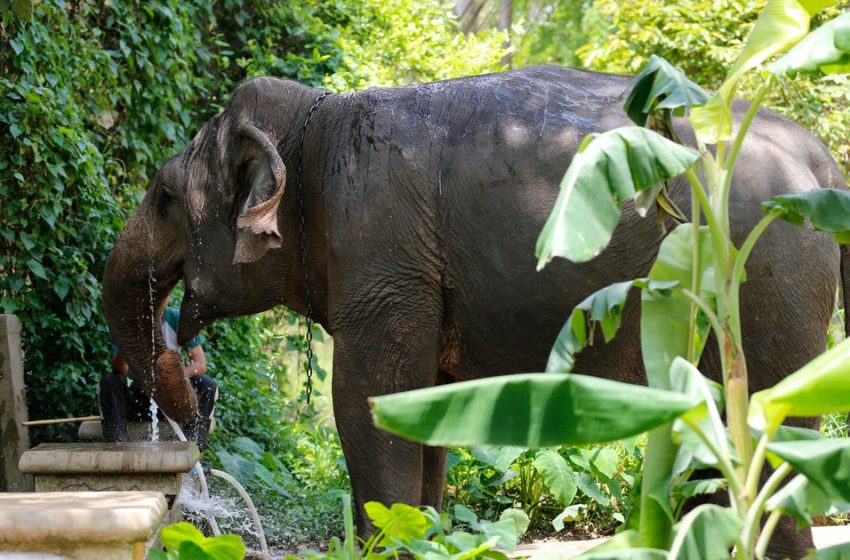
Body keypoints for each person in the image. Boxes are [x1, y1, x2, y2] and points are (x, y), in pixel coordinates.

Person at [98, 306, 218, 452]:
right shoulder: (126, 320)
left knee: (206, 383)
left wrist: (168, 381)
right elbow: (120, 370)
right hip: (140, 398)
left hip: (174, 401)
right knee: (110, 381)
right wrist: (127, 338)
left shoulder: (176, 318)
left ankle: (193, 452)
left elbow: (199, 364)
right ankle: (117, 450)